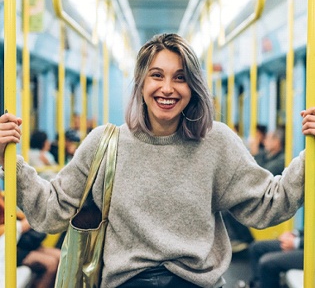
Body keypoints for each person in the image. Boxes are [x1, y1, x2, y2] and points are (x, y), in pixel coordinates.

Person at [0, 33, 314, 288]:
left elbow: (269, 204)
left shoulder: (216, 143)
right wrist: (8, 160)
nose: (167, 88)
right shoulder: (104, 145)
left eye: (180, 77)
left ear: (192, 87)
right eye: (156, 75)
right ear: (141, 83)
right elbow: (50, 212)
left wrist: (310, 154)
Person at [0, 191, 61, 288]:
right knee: (51, 264)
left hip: (19, 241)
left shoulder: (2, 195)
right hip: (7, 248)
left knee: (61, 256)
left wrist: (27, 219)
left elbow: (14, 214)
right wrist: (21, 226)